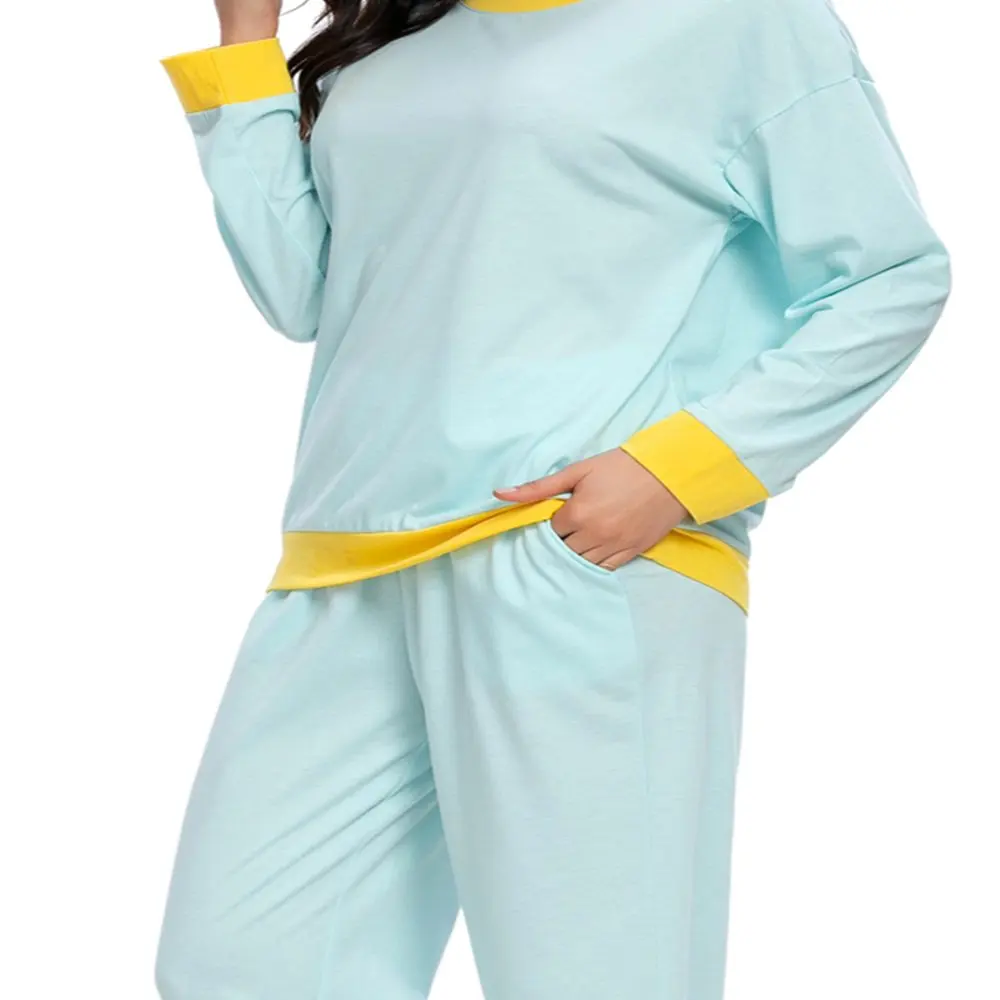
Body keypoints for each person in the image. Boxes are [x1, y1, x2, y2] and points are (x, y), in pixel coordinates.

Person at [153, 0, 951, 997]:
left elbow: (890, 274)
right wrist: (246, 42)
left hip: (571, 559)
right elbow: (305, 289)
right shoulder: (397, 41)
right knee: (237, 967)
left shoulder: (734, 19)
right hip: (345, 567)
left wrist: (682, 470)